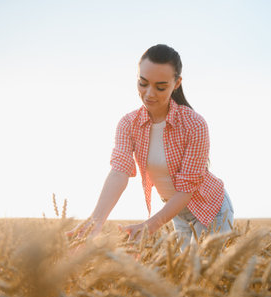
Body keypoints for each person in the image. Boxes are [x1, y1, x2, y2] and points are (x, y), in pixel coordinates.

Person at [67, 44, 234, 250]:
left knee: (202, 274)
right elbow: (119, 172)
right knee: (184, 275)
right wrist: (94, 223)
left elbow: (187, 189)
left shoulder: (194, 124)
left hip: (211, 209)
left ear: (176, 83)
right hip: (176, 213)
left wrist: (149, 226)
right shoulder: (128, 124)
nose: (149, 93)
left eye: (160, 87)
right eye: (143, 83)